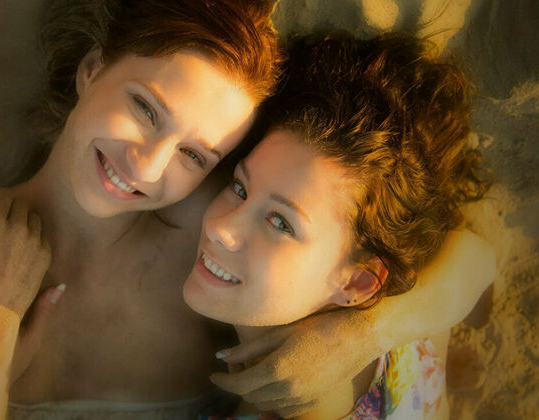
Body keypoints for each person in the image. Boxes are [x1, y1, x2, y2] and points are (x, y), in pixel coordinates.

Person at [0, 2, 495, 420]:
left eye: (194, 154)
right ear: (92, 69)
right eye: (146, 109)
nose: (147, 166)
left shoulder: (207, 241)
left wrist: (361, 335)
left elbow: (467, 256)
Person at [183, 32, 492, 419]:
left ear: (357, 282)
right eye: (241, 188)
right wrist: (369, 334)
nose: (221, 228)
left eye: (280, 222)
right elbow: (479, 258)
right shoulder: (413, 314)